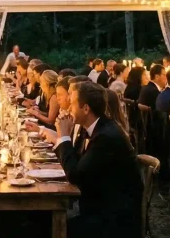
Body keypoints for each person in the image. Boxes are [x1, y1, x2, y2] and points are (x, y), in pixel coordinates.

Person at [38, 82, 142, 238]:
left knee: (43, 225)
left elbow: (75, 175)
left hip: (111, 220)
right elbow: (80, 165)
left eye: (72, 104)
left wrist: (64, 137)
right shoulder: (98, 128)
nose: (68, 108)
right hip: (99, 206)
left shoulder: (105, 136)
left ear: (86, 108)